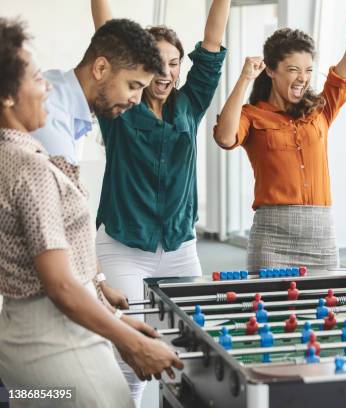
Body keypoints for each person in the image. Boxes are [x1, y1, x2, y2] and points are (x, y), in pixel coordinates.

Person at [0, 18, 182, 408]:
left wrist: (102, 294)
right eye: (36, 79)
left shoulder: (18, 151)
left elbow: (61, 232)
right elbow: (60, 284)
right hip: (52, 339)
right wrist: (129, 341)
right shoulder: (37, 156)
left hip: (26, 343)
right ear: (8, 98)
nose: (47, 86)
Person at [90, 0, 230, 405]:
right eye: (156, 63)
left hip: (180, 250)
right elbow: (106, 34)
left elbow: (213, 45)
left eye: (173, 63)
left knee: (191, 355)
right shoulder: (119, 108)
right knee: (131, 357)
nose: (165, 72)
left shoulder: (190, 103)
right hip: (123, 249)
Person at [214, 0, 346, 272]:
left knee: (325, 312)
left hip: (321, 238)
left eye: (308, 70)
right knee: (272, 314)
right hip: (272, 240)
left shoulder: (322, 109)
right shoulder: (252, 115)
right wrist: (244, 78)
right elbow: (225, 137)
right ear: (271, 71)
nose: (303, 77)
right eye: (293, 69)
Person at [31, 14, 166, 309]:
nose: (136, 99)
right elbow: (64, 230)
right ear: (101, 67)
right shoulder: (51, 118)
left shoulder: (66, 95)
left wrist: (100, 281)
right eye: (133, 85)